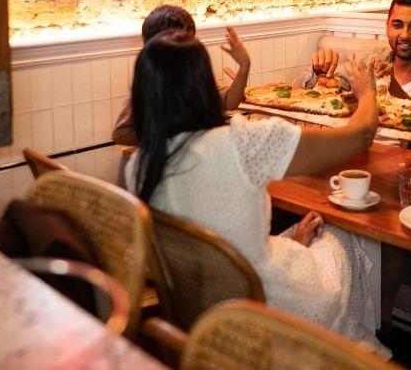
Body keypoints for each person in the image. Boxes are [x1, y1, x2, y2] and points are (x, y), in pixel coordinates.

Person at [124, 31, 388, 356]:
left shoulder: (138, 166)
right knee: (347, 236)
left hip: (205, 310)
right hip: (269, 307)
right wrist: (366, 93)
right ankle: (357, 354)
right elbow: (359, 136)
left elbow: (212, 242)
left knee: (309, 231)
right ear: (204, 87)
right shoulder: (241, 143)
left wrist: (289, 244)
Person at [112, 5, 250, 146]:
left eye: (190, 41)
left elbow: (230, 102)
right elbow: (121, 134)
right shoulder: (150, 85)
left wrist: (244, 66)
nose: (189, 50)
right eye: (181, 44)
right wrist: (168, 139)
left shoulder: (195, 75)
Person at [297, 0, 411, 97]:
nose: (405, 35)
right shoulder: (365, 61)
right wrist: (320, 72)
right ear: (387, 27)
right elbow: (317, 97)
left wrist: (392, 84)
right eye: (397, 25)